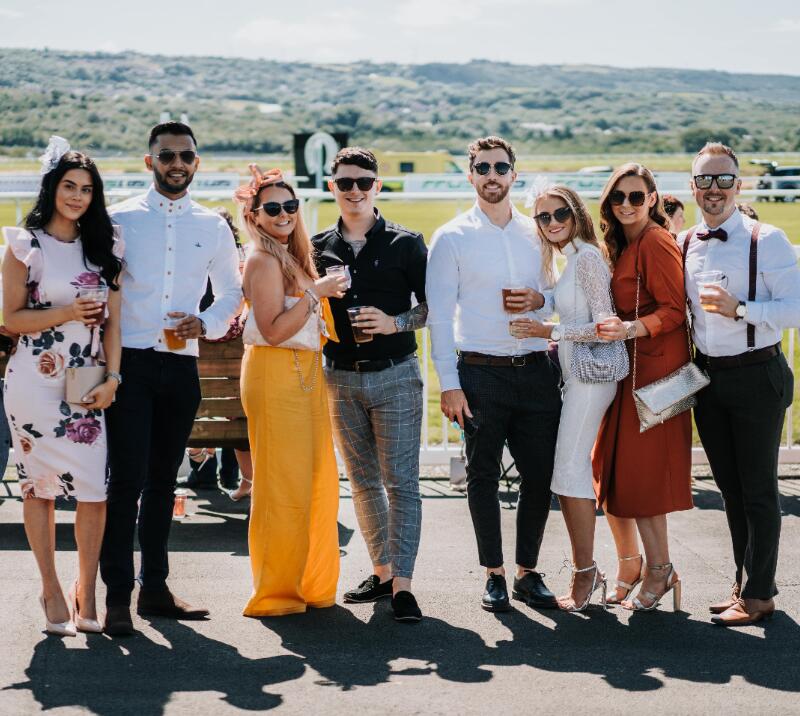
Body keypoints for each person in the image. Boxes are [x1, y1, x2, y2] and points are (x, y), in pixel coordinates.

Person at [99, 122, 242, 636]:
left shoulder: (213, 225)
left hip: (182, 366)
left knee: (165, 482)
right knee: (125, 482)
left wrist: (206, 323)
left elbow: (231, 291)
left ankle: (154, 589)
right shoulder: (118, 220)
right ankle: (116, 596)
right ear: (149, 161)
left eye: (185, 156)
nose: (176, 164)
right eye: (166, 156)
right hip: (129, 366)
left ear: (197, 163)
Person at [427, 136, 561, 613]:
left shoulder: (537, 232)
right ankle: (494, 574)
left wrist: (541, 301)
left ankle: (528, 571)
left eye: (499, 168)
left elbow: (558, 293)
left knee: (540, 476)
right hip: (480, 371)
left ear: (513, 175)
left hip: (536, 368)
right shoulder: (451, 237)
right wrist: (449, 383)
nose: (491, 175)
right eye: (482, 168)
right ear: (470, 176)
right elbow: (440, 316)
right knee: (483, 475)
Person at [2, 138, 123, 635]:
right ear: (52, 188)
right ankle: (50, 588)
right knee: (41, 489)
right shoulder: (22, 245)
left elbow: (115, 322)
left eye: (87, 189)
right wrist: (69, 312)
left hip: (86, 380)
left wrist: (114, 378)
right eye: (69, 186)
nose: (77, 196)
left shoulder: (105, 246)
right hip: (32, 381)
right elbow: (8, 318)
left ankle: (86, 588)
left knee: (94, 490)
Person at [681, 142, 800, 625]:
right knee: (730, 490)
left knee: (758, 491)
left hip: (757, 373)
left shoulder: (765, 239)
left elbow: (794, 308)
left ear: (739, 184)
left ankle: (759, 597)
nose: (714, 189)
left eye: (724, 179)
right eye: (705, 180)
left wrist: (741, 309)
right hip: (709, 379)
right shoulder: (686, 241)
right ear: (693, 187)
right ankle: (745, 582)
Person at [312, 147, 428, 623]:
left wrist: (394, 321)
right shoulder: (316, 246)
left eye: (363, 182)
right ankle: (381, 573)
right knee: (362, 485)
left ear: (377, 186)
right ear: (332, 187)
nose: (355, 191)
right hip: (338, 377)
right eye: (345, 183)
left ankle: (403, 585)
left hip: (397, 374)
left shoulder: (407, 242)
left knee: (401, 484)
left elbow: (432, 308)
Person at [237, 166, 346, 617]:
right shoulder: (263, 260)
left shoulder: (292, 255)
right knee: (282, 486)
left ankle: (310, 583)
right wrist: (315, 294)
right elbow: (273, 331)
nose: (284, 214)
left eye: (290, 205)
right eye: (273, 208)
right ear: (255, 215)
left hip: (305, 375)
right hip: (275, 372)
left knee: (316, 483)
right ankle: (278, 591)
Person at [508, 183, 618, 611]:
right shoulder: (572, 258)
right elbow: (573, 302)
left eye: (560, 215)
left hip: (591, 379)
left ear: (577, 215)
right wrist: (545, 299)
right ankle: (587, 571)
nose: (552, 223)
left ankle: (585, 574)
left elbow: (605, 324)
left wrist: (546, 329)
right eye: (543, 217)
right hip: (574, 378)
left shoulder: (587, 257)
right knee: (567, 472)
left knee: (569, 472)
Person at [593, 163, 692, 613]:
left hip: (655, 375)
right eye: (619, 197)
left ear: (653, 198)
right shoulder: (623, 242)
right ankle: (630, 565)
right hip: (625, 370)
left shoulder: (655, 241)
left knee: (644, 478)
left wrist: (633, 329)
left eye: (637, 196)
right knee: (610, 470)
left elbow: (675, 310)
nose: (628, 205)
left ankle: (660, 569)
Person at [182, 206, 252, 497]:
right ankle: (234, 475)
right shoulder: (239, 270)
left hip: (196, 394)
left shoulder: (190, 272)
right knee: (236, 406)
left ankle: (203, 470)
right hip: (235, 407)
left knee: (205, 399)